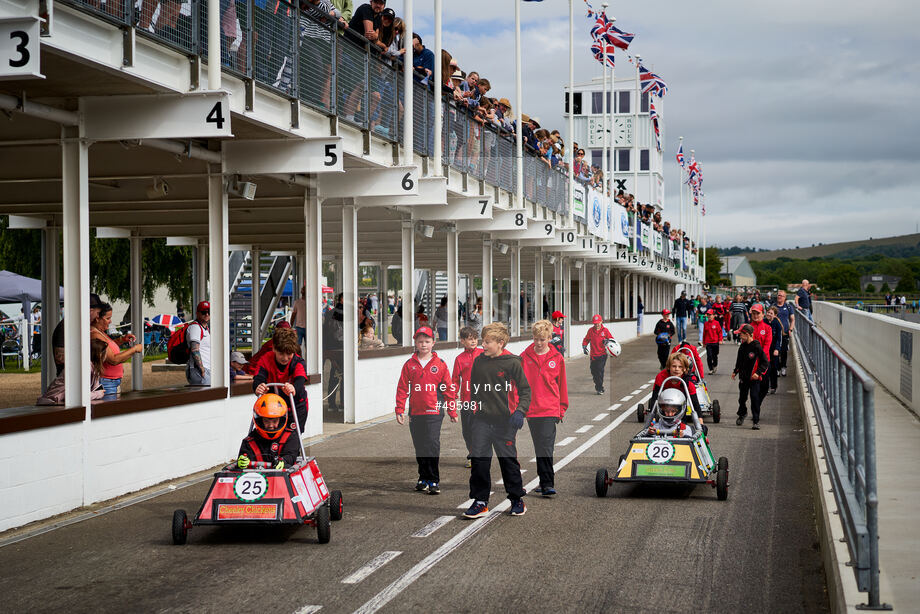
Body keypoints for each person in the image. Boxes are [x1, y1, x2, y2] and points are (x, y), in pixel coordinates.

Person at [463, 322, 531, 519]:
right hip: (481, 420)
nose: (482, 345)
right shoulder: (478, 362)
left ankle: (517, 499)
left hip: (506, 422)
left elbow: (526, 391)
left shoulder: (513, 363)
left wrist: (520, 411)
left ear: (500, 343)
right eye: (483, 341)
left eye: (487, 342)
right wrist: (471, 412)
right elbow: (474, 389)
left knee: (508, 462)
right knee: (479, 462)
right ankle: (480, 502)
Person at [394, 326, 457, 494]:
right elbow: (402, 388)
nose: (423, 345)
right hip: (415, 412)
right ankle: (423, 477)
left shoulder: (440, 365)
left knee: (432, 443)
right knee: (420, 445)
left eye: (427, 341)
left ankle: (434, 480)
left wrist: (452, 411)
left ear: (433, 343)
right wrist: (399, 409)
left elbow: (448, 389)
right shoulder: (409, 365)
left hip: (434, 412)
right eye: (420, 342)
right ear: (415, 343)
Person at [522, 320, 568, 497]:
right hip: (532, 410)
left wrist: (561, 409)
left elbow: (562, 386)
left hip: (550, 409)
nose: (539, 343)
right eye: (536, 339)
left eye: (542, 339)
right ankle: (543, 481)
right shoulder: (524, 357)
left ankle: (548, 484)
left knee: (547, 446)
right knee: (539, 447)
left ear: (550, 337)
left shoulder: (557, 358)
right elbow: (518, 384)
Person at [253, 327, 309, 432]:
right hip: (273, 408)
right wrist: (258, 386)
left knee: (292, 438)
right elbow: (259, 377)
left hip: (295, 406)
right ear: (274, 348)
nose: (285, 358)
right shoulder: (265, 359)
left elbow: (300, 380)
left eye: (289, 354)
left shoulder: (298, 362)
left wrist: (293, 388)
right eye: (281, 353)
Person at [90, 302, 143, 397]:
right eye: (107, 318)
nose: (110, 321)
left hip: (111, 381)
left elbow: (107, 347)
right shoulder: (95, 334)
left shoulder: (100, 332)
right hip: (107, 382)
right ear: (97, 318)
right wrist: (135, 349)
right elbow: (113, 360)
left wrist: (121, 340)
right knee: (110, 410)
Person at [236, 393, 300, 471]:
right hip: (256, 477)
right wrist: (242, 462)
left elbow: (291, 455)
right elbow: (243, 460)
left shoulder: (290, 437)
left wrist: (283, 461)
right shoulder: (249, 441)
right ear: (260, 420)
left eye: (275, 421)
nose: (270, 425)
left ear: (281, 420)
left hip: (282, 478)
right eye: (266, 421)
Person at [37, 338, 108, 405]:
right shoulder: (84, 367)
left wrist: (97, 391)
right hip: (52, 402)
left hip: (60, 401)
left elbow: (93, 389)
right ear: (100, 355)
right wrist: (97, 394)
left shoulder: (93, 367)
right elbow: (78, 396)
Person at [451, 326, 483, 469]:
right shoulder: (459, 359)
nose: (473, 341)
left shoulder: (484, 354)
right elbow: (455, 381)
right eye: (470, 339)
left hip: (483, 400)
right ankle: (472, 452)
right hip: (466, 401)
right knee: (467, 430)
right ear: (462, 341)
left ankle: (476, 455)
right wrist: (452, 397)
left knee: (480, 429)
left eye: (475, 338)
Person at [51, 293, 104, 376]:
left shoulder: (75, 324)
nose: (97, 317)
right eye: (97, 313)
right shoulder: (66, 326)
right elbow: (60, 358)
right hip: (68, 379)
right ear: (90, 311)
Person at [732, 324, 770, 430]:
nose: (740, 336)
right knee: (742, 398)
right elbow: (739, 361)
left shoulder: (756, 346)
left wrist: (758, 373)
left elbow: (765, 362)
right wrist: (735, 371)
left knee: (754, 398)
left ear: (747, 334)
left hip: (754, 379)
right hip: (744, 378)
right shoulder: (742, 347)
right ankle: (742, 414)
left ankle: (756, 421)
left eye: (741, 334)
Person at [649, 352, 702, 420]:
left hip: (681, 406)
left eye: (680, 367)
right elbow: (655, 397)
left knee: (683, 423)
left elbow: (694, 402)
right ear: (669, 367)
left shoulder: (688, 382)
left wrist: (700, 420)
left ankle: (683, 422)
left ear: (685, 369)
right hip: (665, 404)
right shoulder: (661, 377)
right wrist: (652, 418)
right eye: (674, 366)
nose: (676, 369)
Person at [582, 314, 614, 395]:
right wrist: (584, 346)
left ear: (601, 321)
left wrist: (607, 341)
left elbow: (611, 340)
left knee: (600, 370)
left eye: (598, 323)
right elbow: (586, 339)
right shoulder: (590, 330)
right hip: (593, 355)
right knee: (594, 371)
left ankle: (600, 388)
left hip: (602, 355)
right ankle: (598, 385)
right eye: (595, 323)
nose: (596, 325)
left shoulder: (605, 331)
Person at [323, 294, 344, 411]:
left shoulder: (332, 313)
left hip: (336, 347)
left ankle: (335, 403)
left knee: (335, 375)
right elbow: (331, 333)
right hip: (338, 347)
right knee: (337, 375)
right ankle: (339, 403)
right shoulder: (336, 314)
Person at [185, 301, 211, 386]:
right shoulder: (195, 327)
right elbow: (194, 349)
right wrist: (201, 369)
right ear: (197, 313)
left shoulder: (206, 328)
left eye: (209, 312)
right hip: (198, 370)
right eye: (204, 312)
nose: (207, 314)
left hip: (207, 368)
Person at [749, 304, 773, 383]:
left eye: (758, 313)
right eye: (754, 313)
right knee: (754, 392)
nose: (755, 316)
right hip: (752, 362)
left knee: (764, 388)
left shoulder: (767, 328)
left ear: (763, 314)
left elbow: (767, 345)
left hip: (764, 362)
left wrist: (760, 357)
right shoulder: (748, 327)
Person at [773, 290, 795, 377]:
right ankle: (777, 368)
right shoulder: (773, 306)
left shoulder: (788, 307)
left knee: (784, 351)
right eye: (778, 295)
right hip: (775, 332)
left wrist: (791, 329)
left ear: (785, 297)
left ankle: (783, 367)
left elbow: (792, 319)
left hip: (785, 332)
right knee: (775, 351)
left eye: (781, 296)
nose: (779, 297)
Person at [764, 306, 784, 395]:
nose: (769, 314)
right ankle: (765, 387)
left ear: (775, 315)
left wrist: (777, 349)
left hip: (773, 349)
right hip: (765, 349)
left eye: (771, 313)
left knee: (773, 368)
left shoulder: (777, 324)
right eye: (768, 312)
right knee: (765, 368)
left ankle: (773, 386)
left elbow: (779, 338)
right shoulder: (763, 322)